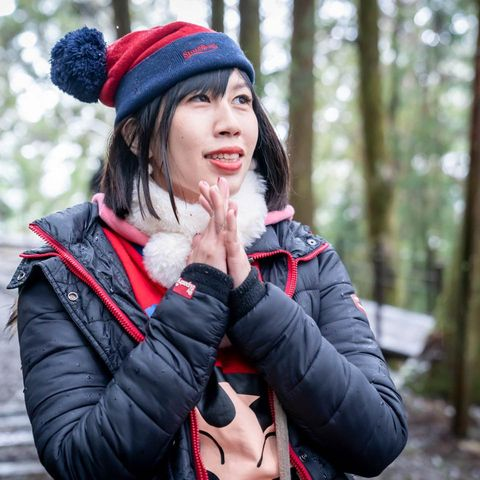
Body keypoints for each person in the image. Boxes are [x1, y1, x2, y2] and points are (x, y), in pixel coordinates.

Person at [8, 21, 407, 480]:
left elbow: (379, 439)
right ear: (137, 137)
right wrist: (197, 298)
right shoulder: (68, 272)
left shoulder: (305, 257)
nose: (230, 123)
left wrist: (254, 301)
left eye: (241, 100)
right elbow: (80, 462)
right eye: (200, 99)